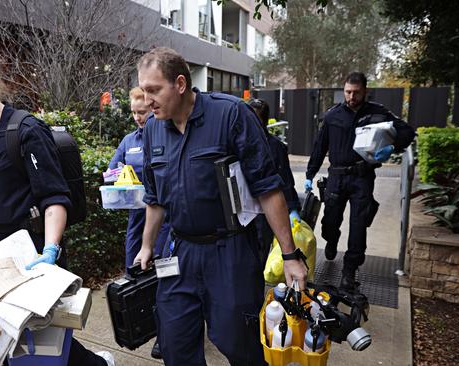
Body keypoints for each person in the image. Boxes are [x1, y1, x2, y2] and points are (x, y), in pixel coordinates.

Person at [0, 43, 114, 366]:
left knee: (38, 345)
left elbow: (54, 199)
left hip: (26, 254)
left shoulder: (25, 130)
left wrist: (49, 252)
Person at [133, 47, 308, 365]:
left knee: (238, 343)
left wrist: (290, 254)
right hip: (179, 251)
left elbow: (268, 189)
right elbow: (154, 199)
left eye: (154, 90)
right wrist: (147, 246)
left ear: (181, 84)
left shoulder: (231, 115)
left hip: (229, 252)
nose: (147, 101)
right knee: (174, 344)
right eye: (143, 91)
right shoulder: (154, 130)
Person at [304, 72, 415, 291]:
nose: (351, 96)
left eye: (356, 92)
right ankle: (331, 240)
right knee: (330, 221)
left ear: (365, 91)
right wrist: (310, 174)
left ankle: (349, 271)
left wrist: (392, 148)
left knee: (358, 225)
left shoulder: (378, 113)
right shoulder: (332, 116)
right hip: (336, 176)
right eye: (348, 92)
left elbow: (407, 132)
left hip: (362, 177)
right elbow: (319, 147)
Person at [107, 87, 170, 359]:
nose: (137, 117)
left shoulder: (166, 135)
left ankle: (166, 335)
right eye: (133, 112)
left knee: (166, 275)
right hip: (137, 219)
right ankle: (148, 326)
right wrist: (117, 173)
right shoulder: (129, 140)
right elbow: (110, 172)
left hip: (166, 220)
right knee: (136, 271)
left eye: (142, 112)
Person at [249, 98, 301, 264]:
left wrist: (292, 208)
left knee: (261, 252)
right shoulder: (237, 142)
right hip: (243, 210)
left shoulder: (275, 147)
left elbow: (284, 178)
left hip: (265, 211)